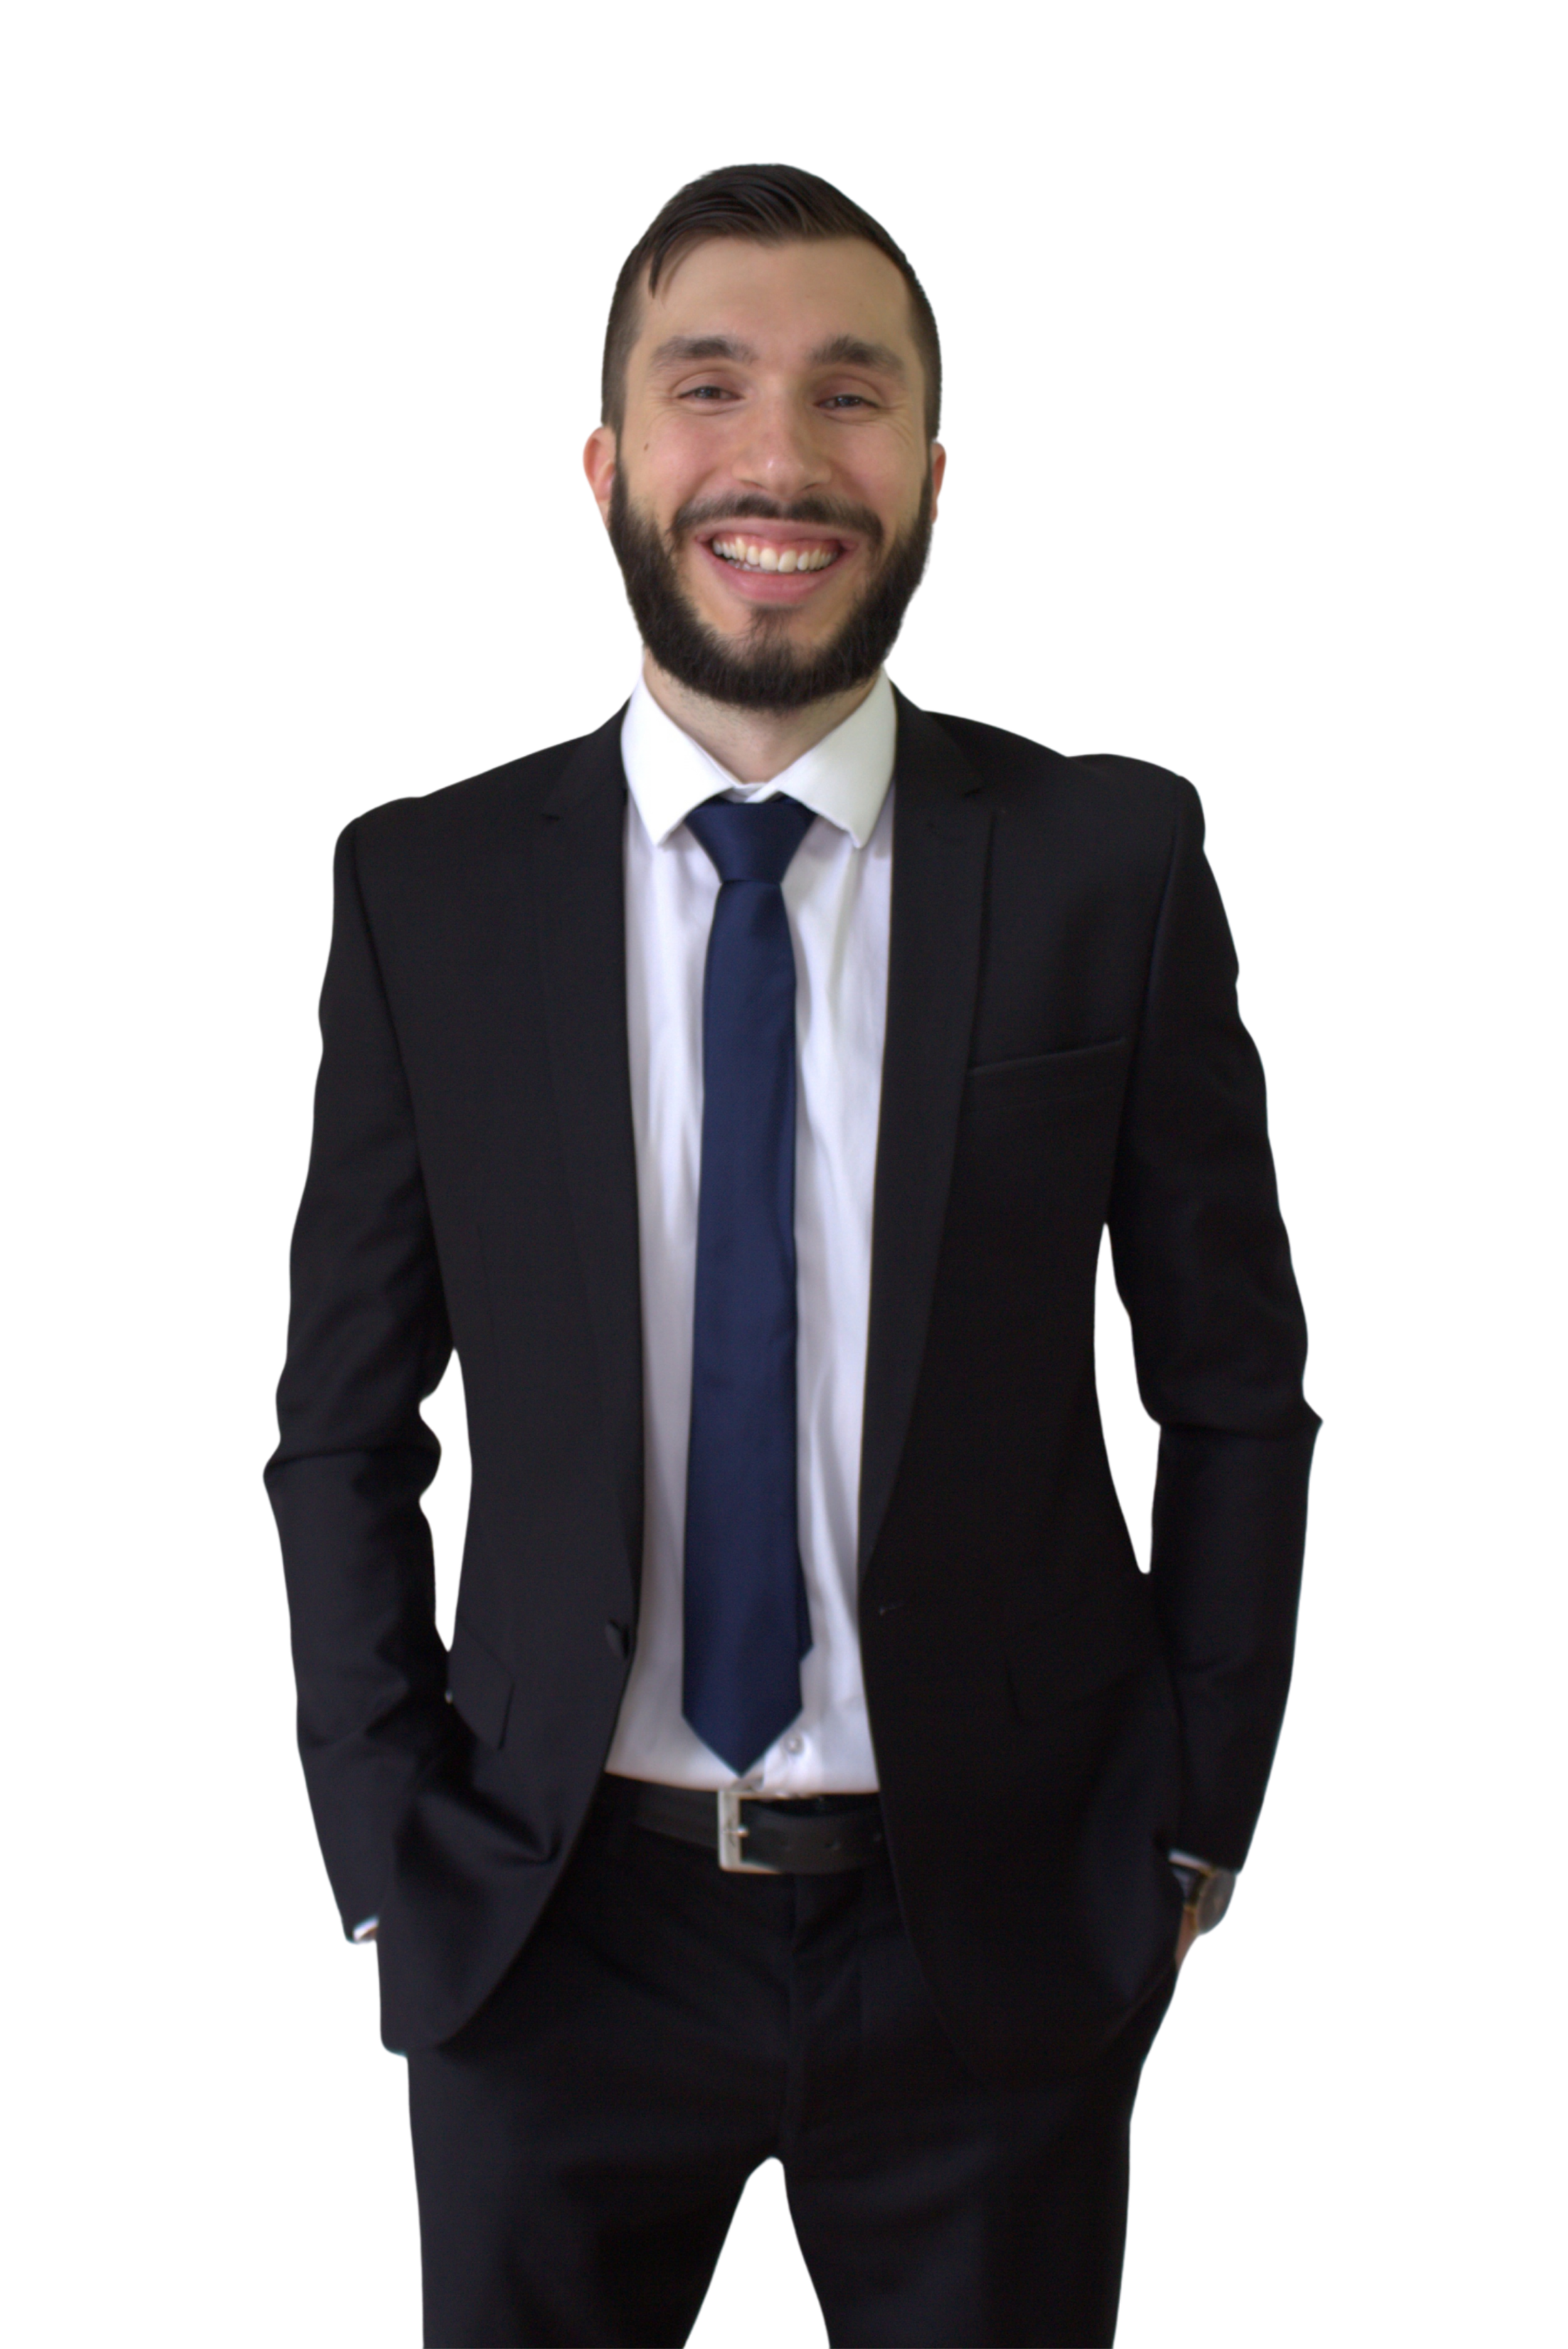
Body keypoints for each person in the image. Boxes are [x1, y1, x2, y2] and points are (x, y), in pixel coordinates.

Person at [263, 161, 1320, 2347]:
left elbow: (1229, 1391)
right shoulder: (425, 888)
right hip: (547, 1925)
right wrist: (381, 1853)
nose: (778, 456)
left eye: (848, 395)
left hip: (992, 1932)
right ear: (605, 473)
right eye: (708, 386)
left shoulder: (1108, 861)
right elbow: (339, 1424)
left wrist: (1183, 1841)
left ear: (928, 478)